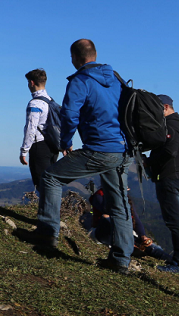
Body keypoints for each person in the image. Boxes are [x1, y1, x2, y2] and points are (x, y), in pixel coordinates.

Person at [36, 39, 133, 274]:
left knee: (50, 177)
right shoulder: (117, 79)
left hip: (99, 149)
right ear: (95, 55)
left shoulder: (81, 80)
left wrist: (65, 142)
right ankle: (121, 260)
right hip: (122, 150)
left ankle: (47, 236)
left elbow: (70, 114)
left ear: (75, 58)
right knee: (119, 204)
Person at [146, 94, 179, 272]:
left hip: (169, 178)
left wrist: (150, 162)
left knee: (174, 222)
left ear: (165, 107)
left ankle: (177, 263)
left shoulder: (170, 125)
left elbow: (170, 150)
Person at [21, 68, 59, 192]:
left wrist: (24, 151)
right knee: (51, 181)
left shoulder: (35, 104)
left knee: (41, 183)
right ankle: (52, 210)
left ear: (32, 83)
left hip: (39, 146)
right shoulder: (51, 102)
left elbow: (30, 129)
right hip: (52, 146)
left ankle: (45, 211)